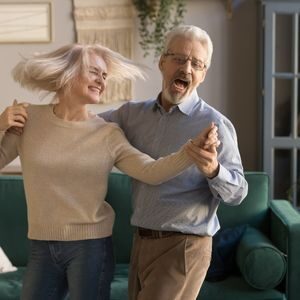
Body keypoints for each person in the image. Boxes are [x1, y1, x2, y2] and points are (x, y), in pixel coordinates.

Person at [0, 43, 219, 300]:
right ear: (68, 71)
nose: (101, 81)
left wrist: (190, 152)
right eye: (94, 72)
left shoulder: (107, 132)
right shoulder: (28, 119)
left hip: (91, 248)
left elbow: (150, 171)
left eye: (105, 76)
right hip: (40, 246)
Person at [99, 25, 248, 300]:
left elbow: (239, 192)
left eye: (196, 63)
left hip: (184, 246)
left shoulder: (215, 125)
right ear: (162, 62)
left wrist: (213, 170)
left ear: (203, 74)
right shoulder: (132, 115)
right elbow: (83, 128)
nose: (187, 68)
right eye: (179, 59)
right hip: (141, 241)